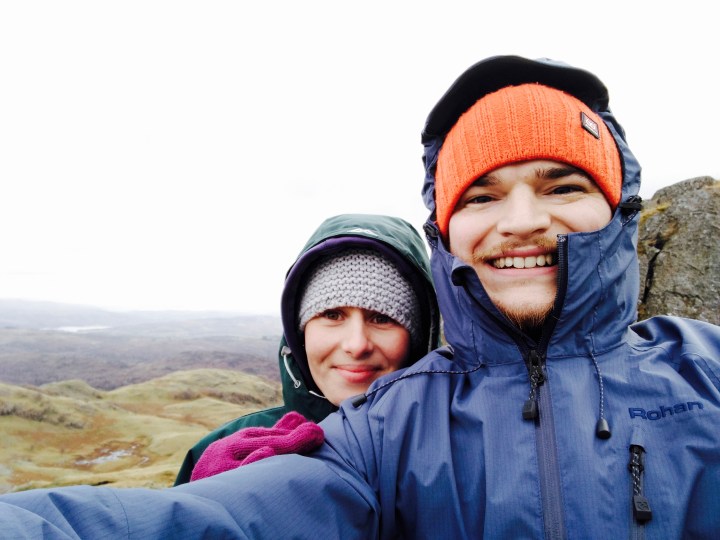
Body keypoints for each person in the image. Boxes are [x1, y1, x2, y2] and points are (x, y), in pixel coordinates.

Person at [1, 55, 719, 539]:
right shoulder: (380, 434)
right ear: (447, 229)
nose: (523, 219)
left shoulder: (705, 374)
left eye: (563, 185)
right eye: (482, 194)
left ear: (619, 208)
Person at [174, 213, 440, 483]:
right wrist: (221, 503)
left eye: (383, 318)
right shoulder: (226, 453)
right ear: (299, 332)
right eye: (332, 315)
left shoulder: (459, 449)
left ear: (417, 339)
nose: (356, 345)